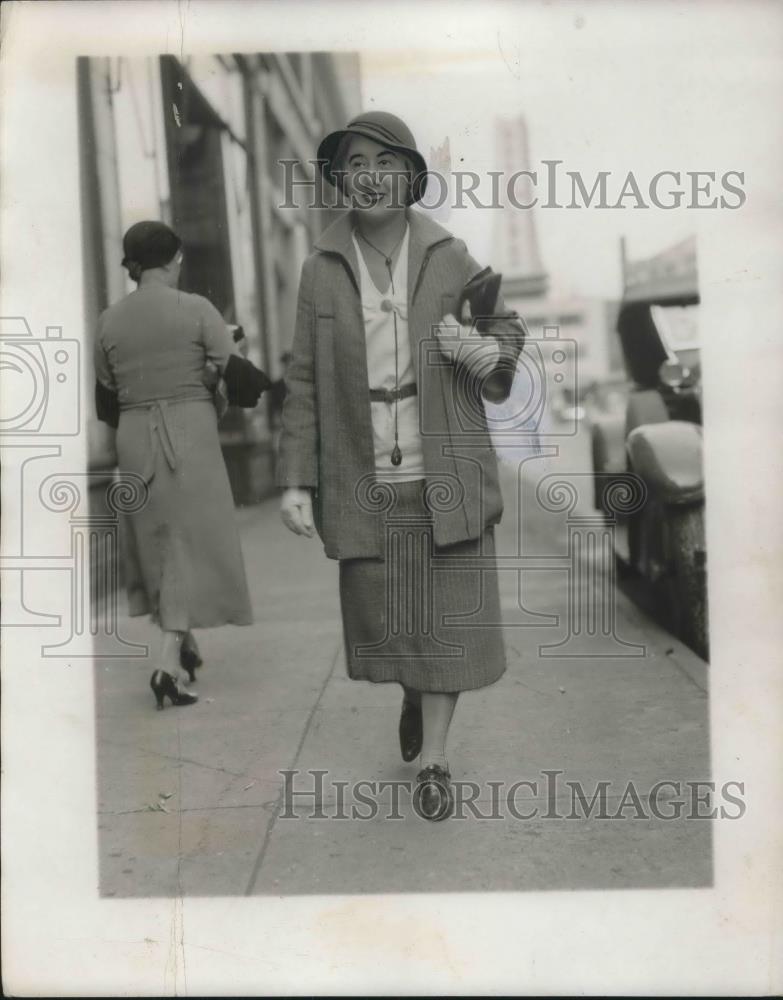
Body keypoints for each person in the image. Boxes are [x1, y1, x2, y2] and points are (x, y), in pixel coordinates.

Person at [277, 112, 527, 820]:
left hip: (443, 463)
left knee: (447, 618)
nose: (371, 176)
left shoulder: (448, 255)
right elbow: (301, 380)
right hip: (365, 472)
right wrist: (296, 479)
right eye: (356, 164)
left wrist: (487, 352)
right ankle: (413, 692)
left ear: (410, 176)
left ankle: (437, 759)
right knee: (391, 615)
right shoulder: (319, 269)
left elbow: (502, 326)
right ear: (339, 180)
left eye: (385, 163)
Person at [94, 221, 270, 710]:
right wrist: (221, 361)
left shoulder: (108, 320)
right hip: (189, 433)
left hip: (134, 437)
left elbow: (106, 403)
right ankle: (168, 664)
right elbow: (245, 383)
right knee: (190, 542)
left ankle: (186, 645)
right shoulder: (196, 309)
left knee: (160, 541)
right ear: (174, 260)